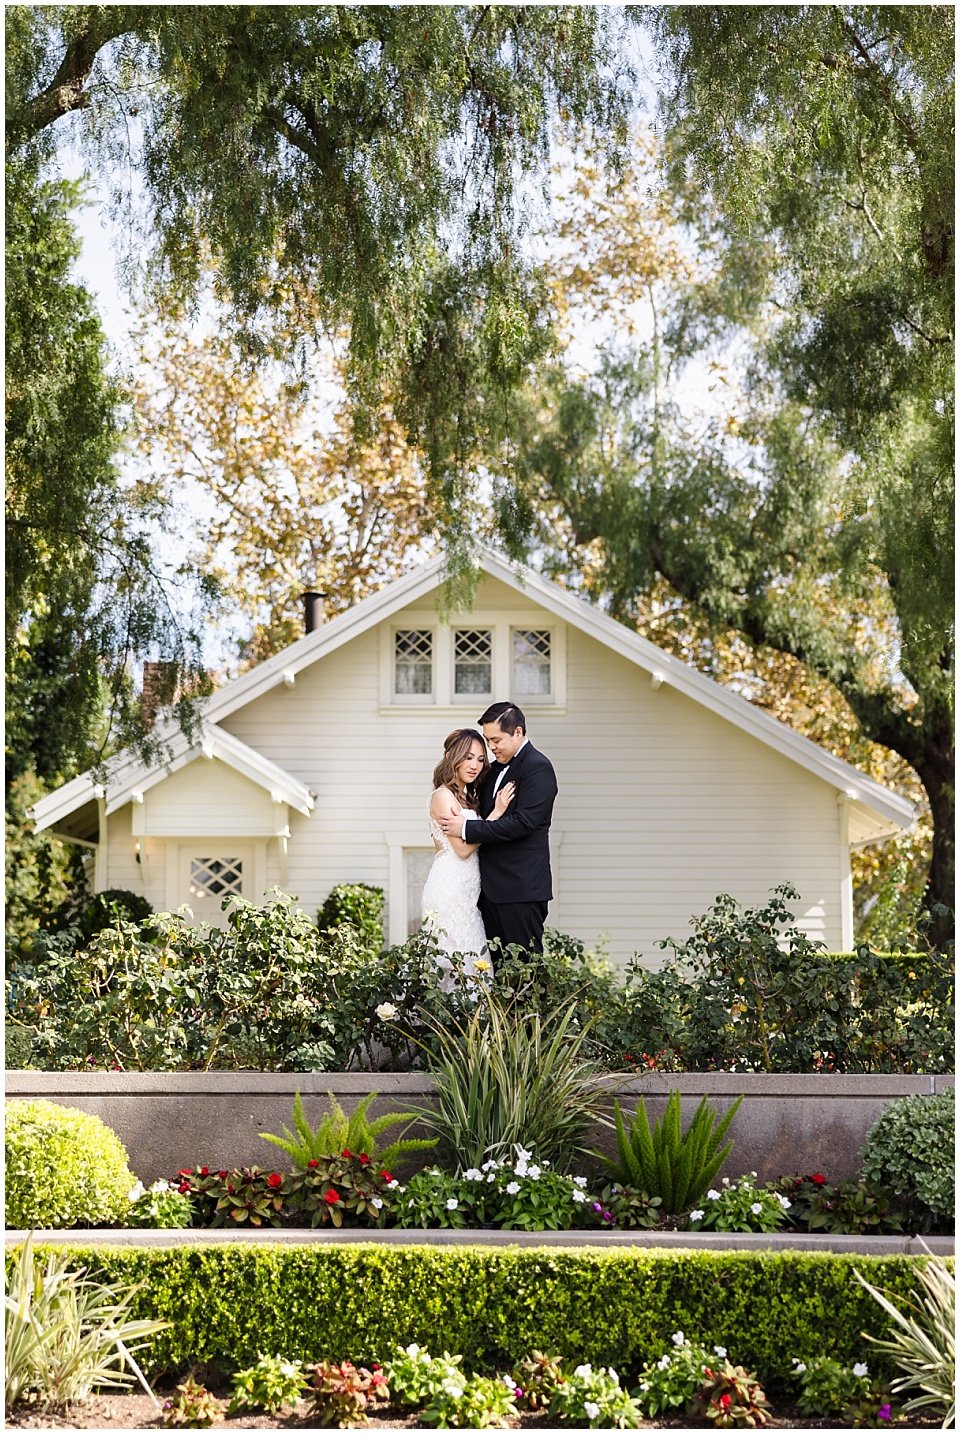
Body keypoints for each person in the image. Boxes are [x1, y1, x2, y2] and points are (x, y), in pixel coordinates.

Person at [437, 701, 558, 961]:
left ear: (518, 732)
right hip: (485, 892)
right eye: (487, 741)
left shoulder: (538, 768)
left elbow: (524, 823)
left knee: (523, 972)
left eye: (496, 740)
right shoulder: (492, 771)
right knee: (494, 973)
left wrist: (467, 828)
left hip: (520, 891)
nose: (491, 748)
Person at [421, 728, 515, 985]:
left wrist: (477, 827)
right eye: (468, 757)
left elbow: (469, 837)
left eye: (480, 759)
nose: (474, 765)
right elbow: (462, 850)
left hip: (468, 891)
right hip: (450, 887)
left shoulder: (467, 797)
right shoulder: (442, 796)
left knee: (473, 962)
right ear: (452, 756)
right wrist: (495, 816)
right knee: (454, 962)